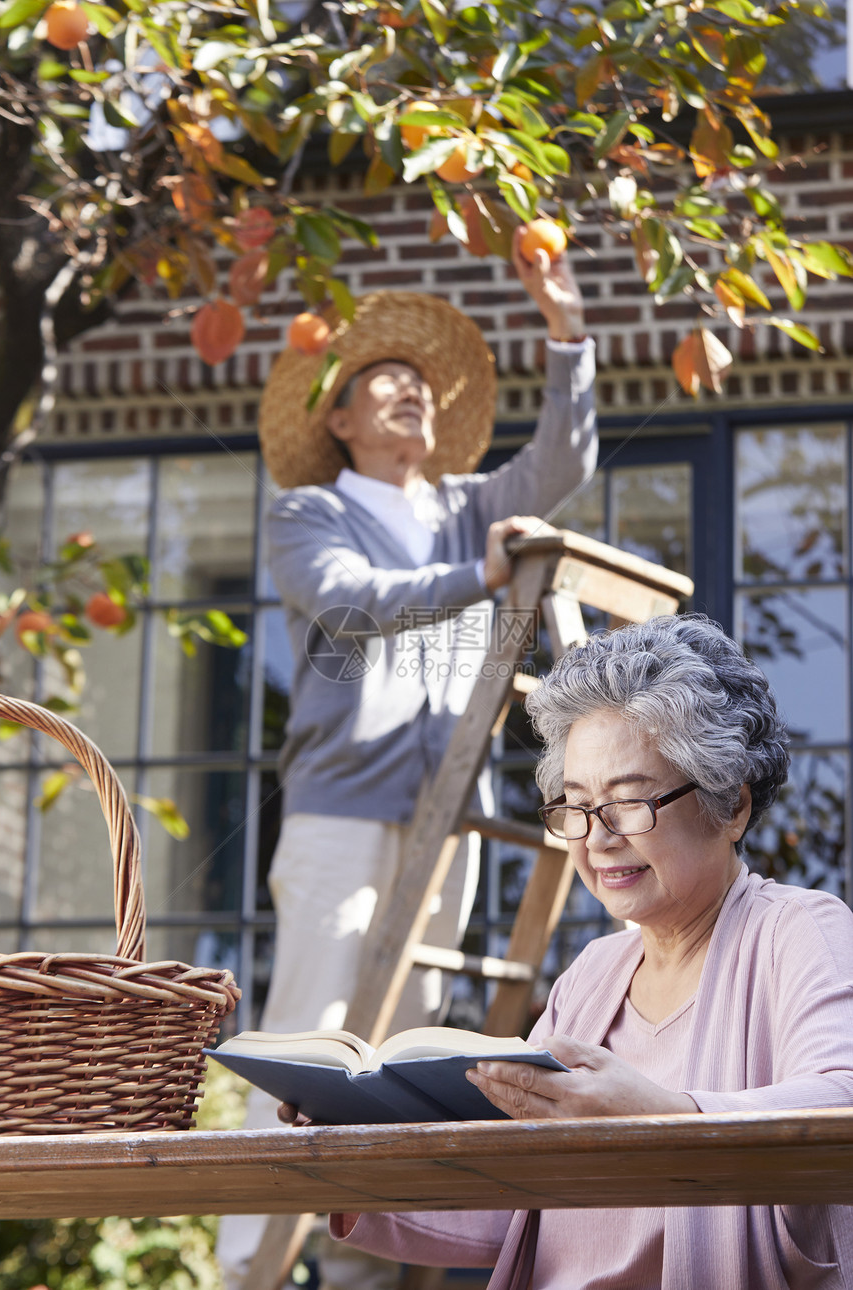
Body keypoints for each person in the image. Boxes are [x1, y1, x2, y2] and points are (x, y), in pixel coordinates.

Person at [215, 229, 598, 1290]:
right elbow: (347, 605)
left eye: (419, 385)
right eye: (381, 382)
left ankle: (365, 1266)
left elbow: (560, 463)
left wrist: (564, 328)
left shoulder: (461, 505)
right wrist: (476, 577)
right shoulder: (310, 513)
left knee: (409, 1045)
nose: (408, 394)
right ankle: (250, 1260)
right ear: (335, 420)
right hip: (340, 811)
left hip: (452, 814)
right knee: (311, 1031)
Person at [327, 613, 853, 1288]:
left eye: (632, 803)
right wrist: (342, 1157)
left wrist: (654, 1115)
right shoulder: (592, 977)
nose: (597, 837)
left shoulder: (800, 931)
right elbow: (513, 1203)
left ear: (733, 807)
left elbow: (841, 1105)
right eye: (574, 805)